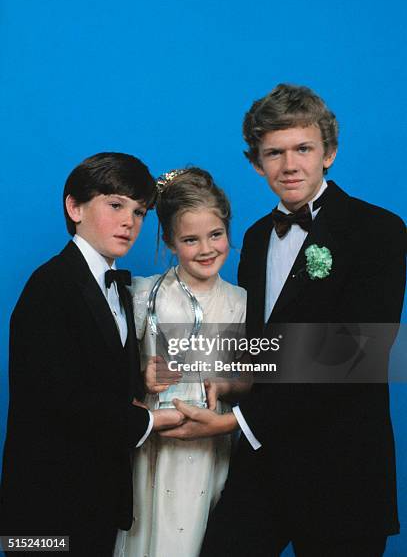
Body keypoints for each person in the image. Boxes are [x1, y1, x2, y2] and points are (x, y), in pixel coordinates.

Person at [160, 85, 406, 556]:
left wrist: (234, 422)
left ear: (329, 153)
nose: (289, 165)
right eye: (274, 153)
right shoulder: (254, 239)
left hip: (342, 470)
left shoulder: (379, 230)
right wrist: (229, 382)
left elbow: (356, 354)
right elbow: (266, 345)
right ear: (256, 162)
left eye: (303, 149)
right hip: (264, 467)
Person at [0, 152, 183, 556]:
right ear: (75, 207)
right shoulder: (50, 286)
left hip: (96, 498)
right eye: (115, 205)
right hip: (44, 508)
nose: (129, 223)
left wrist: (142, 377)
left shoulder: (117, 287)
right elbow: (60, 397)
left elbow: (97, 370)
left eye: (138, 212)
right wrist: (149, 419)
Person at [114, 167, 247, 557]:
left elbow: (253, 378)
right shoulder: (144, 296)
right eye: (190, 239)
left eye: (216, 235)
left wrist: (225, 383)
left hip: (212, 441)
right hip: (155, 441)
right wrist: (142, 376)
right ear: (170, 241)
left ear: (228, 230)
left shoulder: (241, 302)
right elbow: (111, 373)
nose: (206, 249)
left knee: (202, 535)